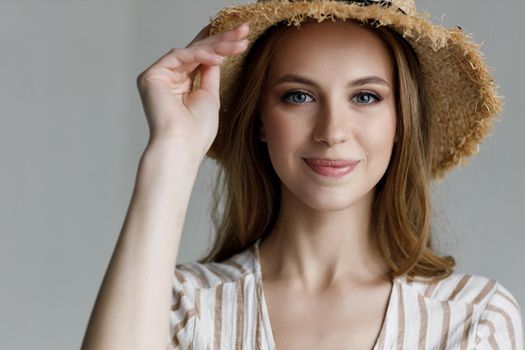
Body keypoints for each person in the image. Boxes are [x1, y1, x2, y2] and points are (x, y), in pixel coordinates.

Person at [81, 0, 524, 349]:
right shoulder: (180, 308)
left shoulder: (474, 319)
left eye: (366, 97)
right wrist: (173, 150)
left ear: (400, 122)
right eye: (298, 96)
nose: (332, 132)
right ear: (259, 120)